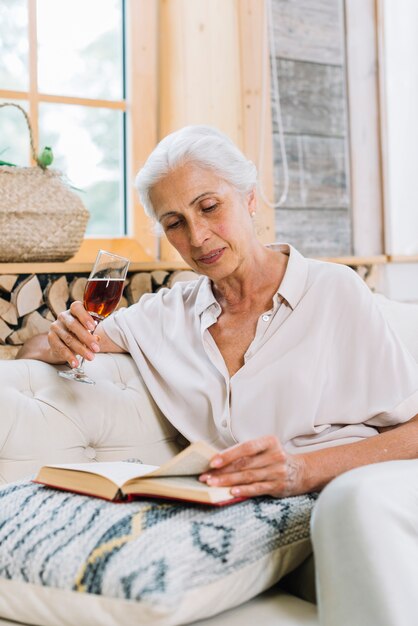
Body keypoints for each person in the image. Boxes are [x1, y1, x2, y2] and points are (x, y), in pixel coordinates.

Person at [18, 125, 418, 625]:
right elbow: (33, 351)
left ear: (249, 198)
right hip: (257, 522)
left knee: (349, 517)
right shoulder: (166, 315)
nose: (198, 236)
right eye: (175, 223)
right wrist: (60, 337)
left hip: (349, 494)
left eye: (209, 207)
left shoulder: (334, 291)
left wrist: (301, 471)